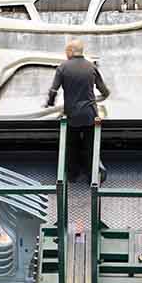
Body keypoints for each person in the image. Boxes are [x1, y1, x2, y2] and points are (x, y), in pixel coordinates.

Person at [47, 39, 110, 182]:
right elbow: (104, 90)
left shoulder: (62, 68)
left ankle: (72, 175)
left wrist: (49, 104)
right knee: (90, 146)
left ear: (70, 51)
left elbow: (53, 91)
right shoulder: (91, 67)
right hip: (90, 114)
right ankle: (91, 175)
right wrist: (103, 96)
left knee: (71, 146)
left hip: (72, 115)